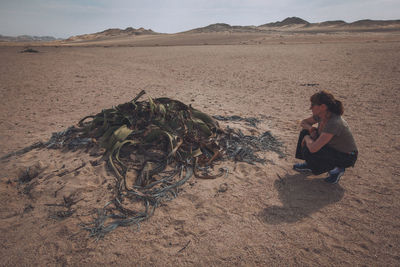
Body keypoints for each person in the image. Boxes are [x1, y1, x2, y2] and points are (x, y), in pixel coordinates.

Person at [293, 90, 358, 184]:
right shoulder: (321, 115)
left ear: (323, 107)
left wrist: (307, 138)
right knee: (305, 132)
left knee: (309, 146)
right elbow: (304, 123)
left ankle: (337, 169)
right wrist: (311, 129)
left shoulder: (333, 122)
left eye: (313, 105)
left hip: (347, 156)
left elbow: (313, 148)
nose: (310, 108)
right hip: (332, 148)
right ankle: (309, 164)